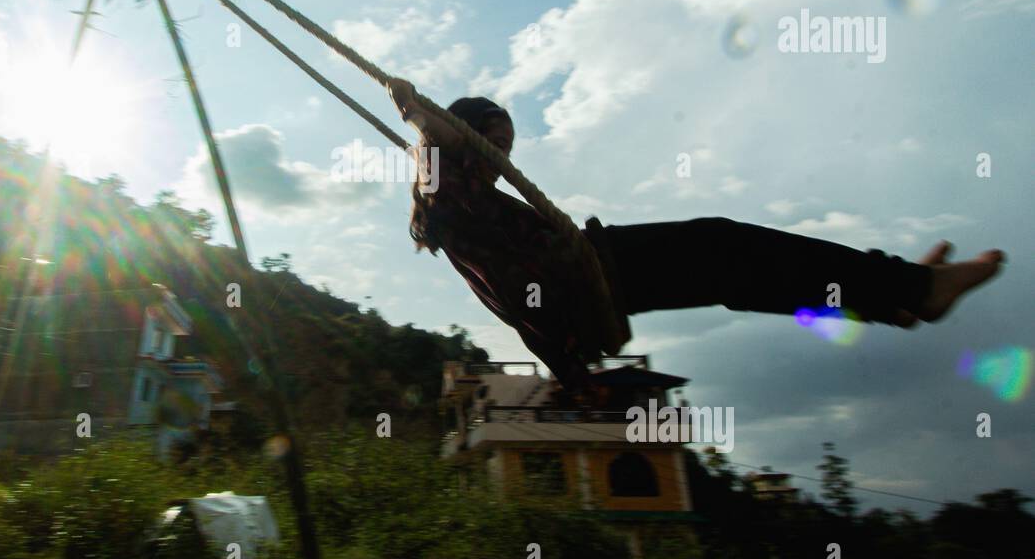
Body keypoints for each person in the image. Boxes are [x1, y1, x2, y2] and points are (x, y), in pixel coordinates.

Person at [386, 78, 1005, 394]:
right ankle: (909, 287)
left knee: (737, 269)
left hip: (588, 279)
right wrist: (413, 108)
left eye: (508, 148)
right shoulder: (449, 199)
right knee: (727, 248)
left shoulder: (470, 209)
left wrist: (569, 368)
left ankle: (896, 298)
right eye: (492, 144)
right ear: (463, 135)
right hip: (589, 274)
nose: (501, 159)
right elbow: (435, 156)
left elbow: (506, 303)